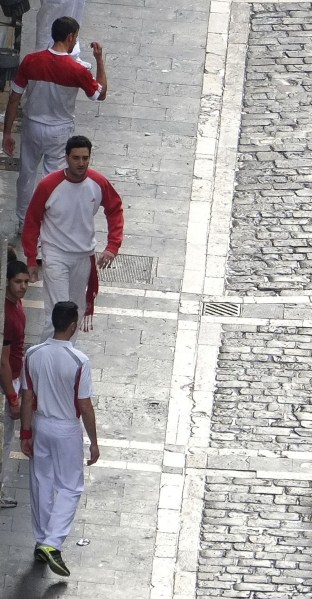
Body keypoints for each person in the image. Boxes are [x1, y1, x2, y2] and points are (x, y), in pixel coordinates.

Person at [2, 17, 107, 233]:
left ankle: (24, 222)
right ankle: (47, 224)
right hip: (59, 131)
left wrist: (7, 133)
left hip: (32, 126)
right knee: (53, 178)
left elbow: (14, 98)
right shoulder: (77, 70)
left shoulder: (31, 61)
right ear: (70, 37)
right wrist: (99, 60)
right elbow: (100, 94)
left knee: (27, 174)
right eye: (75, 37)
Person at [19, 301, 99, 577]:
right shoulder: (80, 361)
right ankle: (52, 543)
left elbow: (28, 397)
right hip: (66, 428)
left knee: (41, 482)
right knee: (70, 487)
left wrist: (26, 433)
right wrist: (94, 441)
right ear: (73, 325)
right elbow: (85, 405)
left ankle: (42, 541)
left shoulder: (33, 354)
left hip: (41, 424)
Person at [22, 135, 124, 341]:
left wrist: (113, 246)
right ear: (66, 158)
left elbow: (115, 209)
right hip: (55, 255)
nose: (81, 163)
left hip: (83, 256)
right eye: (76, 158)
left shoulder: (98, 182)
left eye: (85, 158)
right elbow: (32, 222)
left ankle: (67, 358)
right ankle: (44, 362)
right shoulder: (48, 185)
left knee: (74, 313)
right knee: (58, 313)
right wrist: (32, 259)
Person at [0, 249, 29, 509]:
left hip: (15, 379)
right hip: (7, 385)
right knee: (4, 441)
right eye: (18, 282)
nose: (23, 287)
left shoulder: (16, 305)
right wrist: (13, 397)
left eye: (26, 282)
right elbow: (4, 360)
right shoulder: (7, 316)